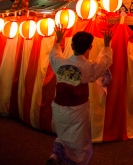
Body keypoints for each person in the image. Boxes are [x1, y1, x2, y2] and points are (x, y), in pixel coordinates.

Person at [46, 27, 113, 165]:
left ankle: (56, 156)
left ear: (72, 45)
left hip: (59, 107)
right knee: (80, 141)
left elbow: (54, 54)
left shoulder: (60, 62)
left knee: (63, 134)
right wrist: (106, 46)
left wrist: (58, 40)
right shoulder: (88, 67)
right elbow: (104, 63)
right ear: (90, 47)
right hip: (78, 109)